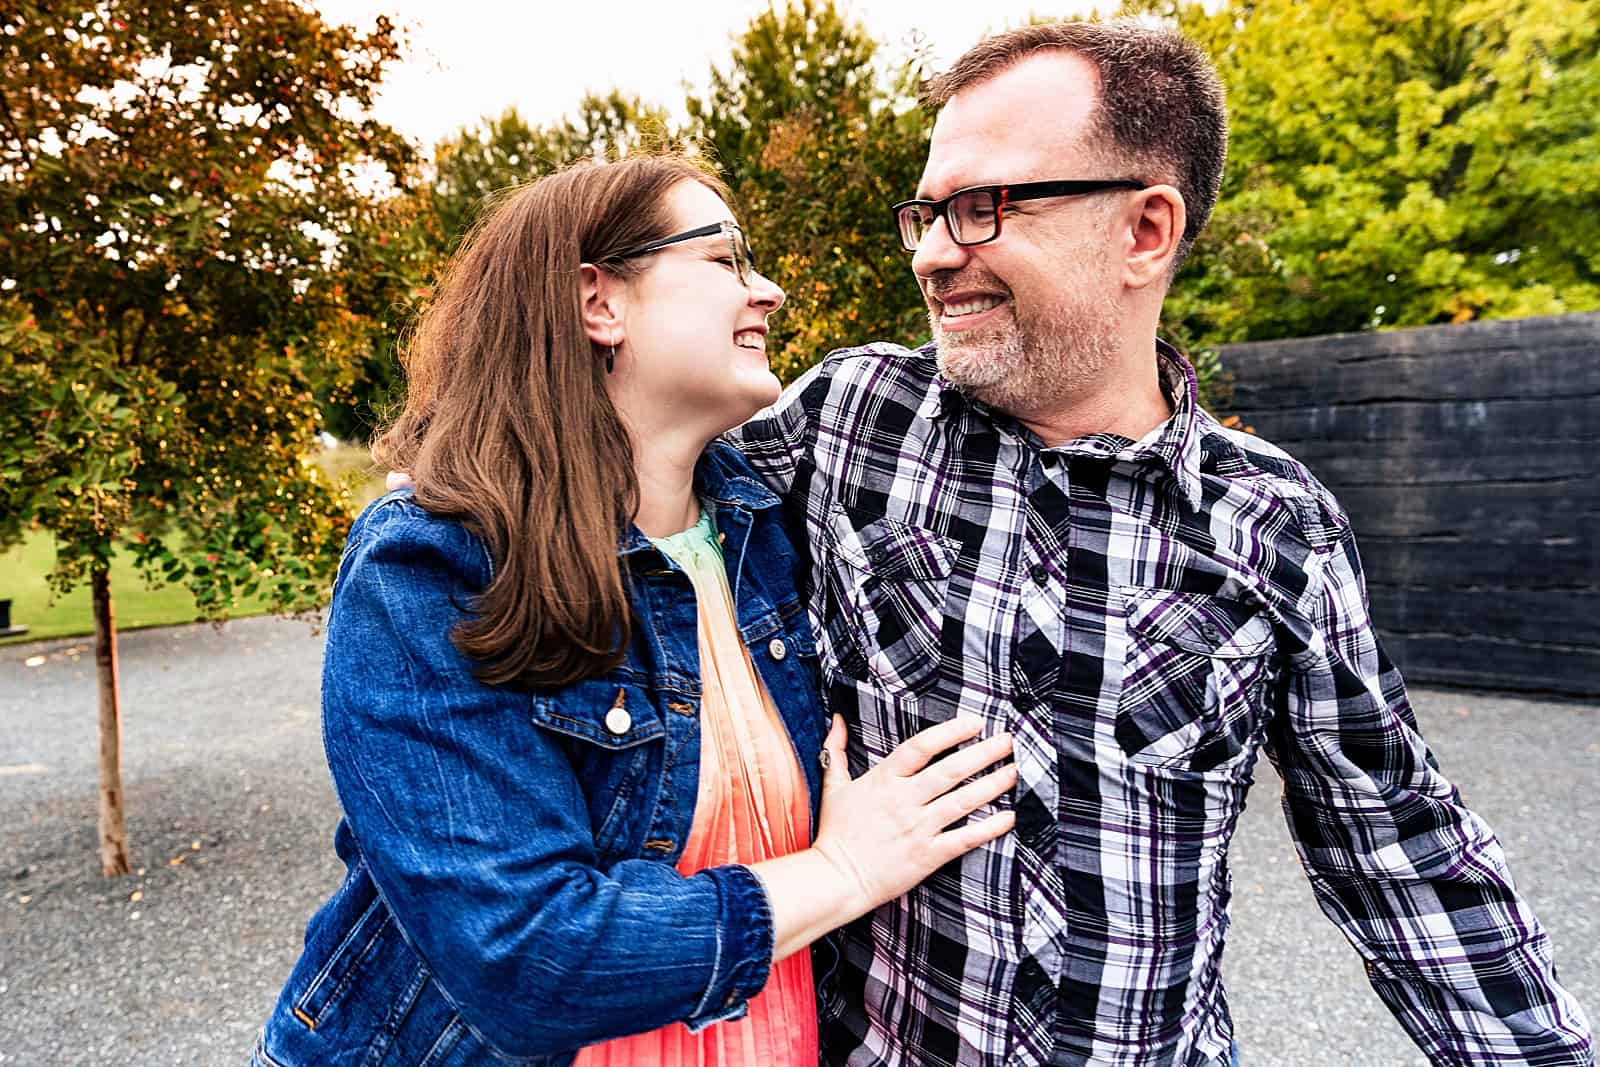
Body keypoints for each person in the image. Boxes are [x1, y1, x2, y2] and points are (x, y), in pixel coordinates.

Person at [731, 20, 1594, 1067]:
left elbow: (1396, 847)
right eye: (926, 210)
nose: (929, 250)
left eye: (981, 206)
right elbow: (615, 518)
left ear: (1145, 228)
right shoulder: (854, 416)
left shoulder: (1273, 521)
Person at [250, 154, 1017, 1067]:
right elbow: (529, 958)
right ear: (598, 302)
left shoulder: (763, 525)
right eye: (725, 260)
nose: (765, 290)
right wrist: (844, 870)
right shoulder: (435, 564)